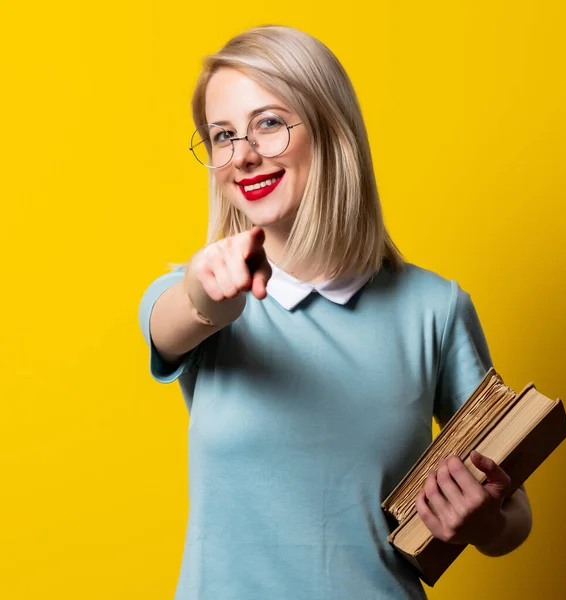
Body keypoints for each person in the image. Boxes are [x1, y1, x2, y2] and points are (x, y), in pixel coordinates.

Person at [138, 25, 532, 600]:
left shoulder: (434, 310)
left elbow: (513, 512)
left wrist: (485, 521)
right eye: (221, 136)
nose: (242, 155)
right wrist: (206, 293)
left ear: (329, 126)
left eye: (268, 123)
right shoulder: (196, 292)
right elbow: (175, 321)